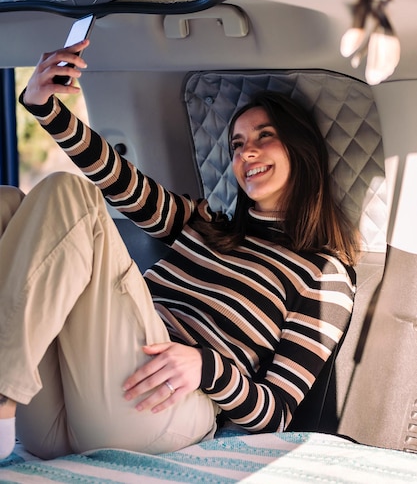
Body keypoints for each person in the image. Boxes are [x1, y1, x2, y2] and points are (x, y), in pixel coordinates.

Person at [0, 39, 358, 461]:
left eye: (266, 136)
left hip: (161, 408)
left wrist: (205, 366)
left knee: (66, 191)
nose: (248, 152)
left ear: (303, 151)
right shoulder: (204, 223)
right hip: (69, 412)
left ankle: (3, 390)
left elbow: (276, 413)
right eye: (238, 144)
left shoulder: (325, 272)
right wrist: (46, 108)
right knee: (6, 202)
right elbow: (119, 180)